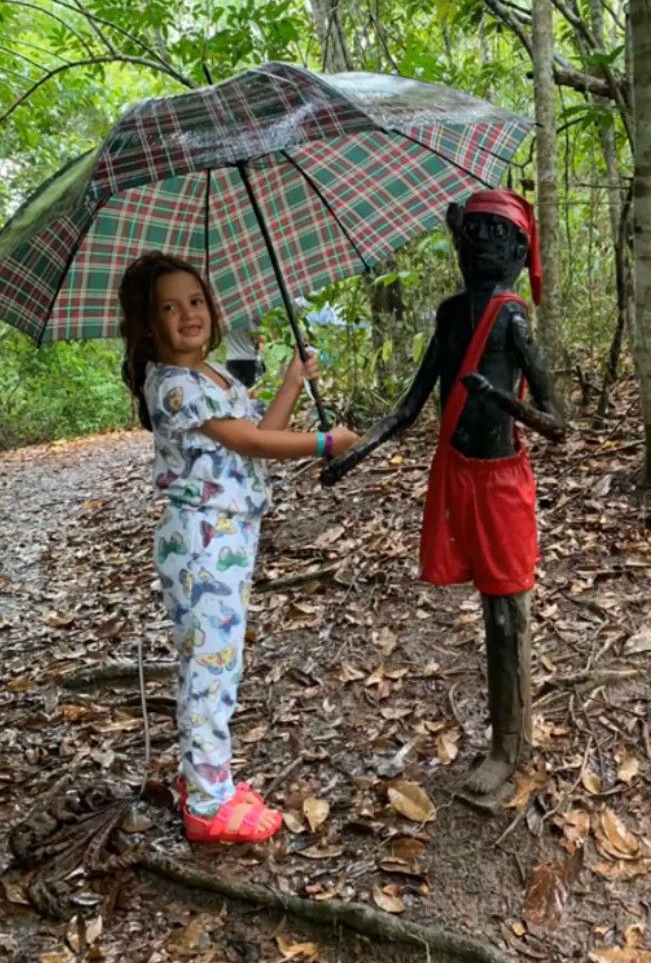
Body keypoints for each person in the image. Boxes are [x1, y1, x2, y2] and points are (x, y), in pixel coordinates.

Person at [322, 190, 565, 799]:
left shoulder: (511, 318)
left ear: (518, 250)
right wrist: (355, 454)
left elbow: (557, 423)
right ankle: (508, 739)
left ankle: (510, 745)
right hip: (456, 472)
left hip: (501, 478)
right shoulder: (451, 314)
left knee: (508, 609)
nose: (482, 248)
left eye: (496, 238)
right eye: (472, 236)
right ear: (458, 244)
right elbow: (409, 405)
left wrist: (499, 397)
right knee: (489, 605)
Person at [119, 252, 358, 843]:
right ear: (148, 325)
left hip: (228, 535)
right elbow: (252, 443)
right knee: (210, 668)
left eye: (195, 301)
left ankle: (207, 780)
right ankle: (207, 805)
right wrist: (324, 443)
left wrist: (293, 382)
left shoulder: (215, 376)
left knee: (217, 662)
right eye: (169, 307)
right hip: (201, 542)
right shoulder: (172, 386)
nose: (188, 314)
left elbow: (260, 432)